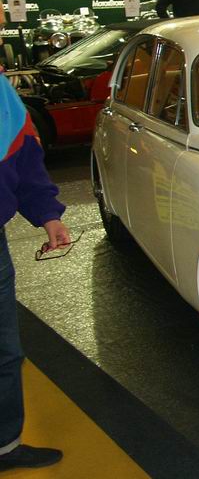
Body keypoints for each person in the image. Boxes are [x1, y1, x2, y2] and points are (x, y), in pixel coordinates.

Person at [0, 73, 70, 472]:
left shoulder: (1, 95)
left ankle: (4, 447)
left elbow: (25, 157)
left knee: (5, 353)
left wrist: (48, 215)